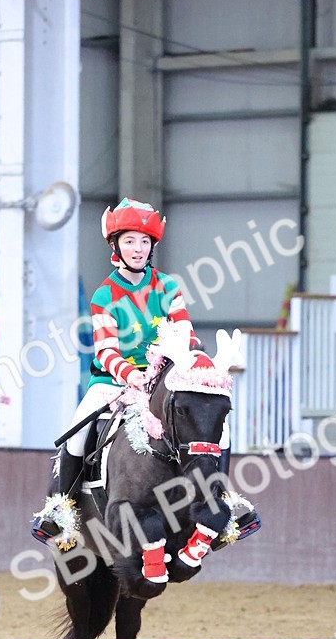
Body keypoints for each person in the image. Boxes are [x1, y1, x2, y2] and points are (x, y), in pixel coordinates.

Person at [31, 196, 257, 548]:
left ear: (152, 246)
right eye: (130, 241)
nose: (138, 248)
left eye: (144, 241)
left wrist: (192, 362)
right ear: (116, 246)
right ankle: (60, 508)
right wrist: (130, 374)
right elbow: (105, 350)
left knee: (220, 431)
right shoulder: (104, 295)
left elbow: (187, 333)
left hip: (165, 378)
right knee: (76, 432)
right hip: (115, 382)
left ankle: (221, 498)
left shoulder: (168, 287)